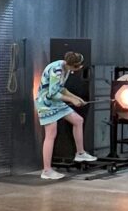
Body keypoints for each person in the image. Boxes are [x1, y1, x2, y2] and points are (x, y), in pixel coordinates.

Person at [35, 51, 97, 180]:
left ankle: (80, 153)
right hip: (46, 103)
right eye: (79, 65)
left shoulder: (66, 69)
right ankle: (46, 170)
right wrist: (71, 100)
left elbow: (62, 89)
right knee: (51, 134)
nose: (81, 67)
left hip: (56, 102)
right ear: (73, 65)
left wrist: (76, 98)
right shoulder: (57, 70)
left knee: (78, 120)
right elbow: (52, 93)